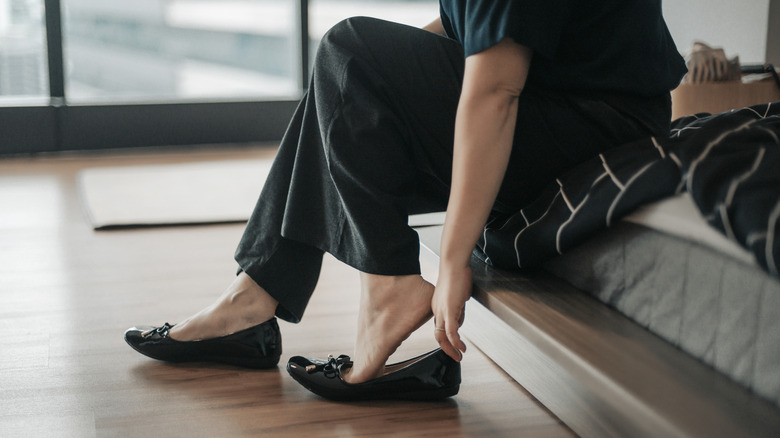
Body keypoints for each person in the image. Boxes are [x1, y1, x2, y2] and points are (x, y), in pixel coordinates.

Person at [125, 0, 686, 400]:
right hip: (567, 101)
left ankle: (389, 288)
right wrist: (358, 91)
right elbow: (456, 27)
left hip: (596, 126)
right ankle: (252, 297)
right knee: (346, 71)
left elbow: (496, 91)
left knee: (350, 52)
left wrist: (451, 259)